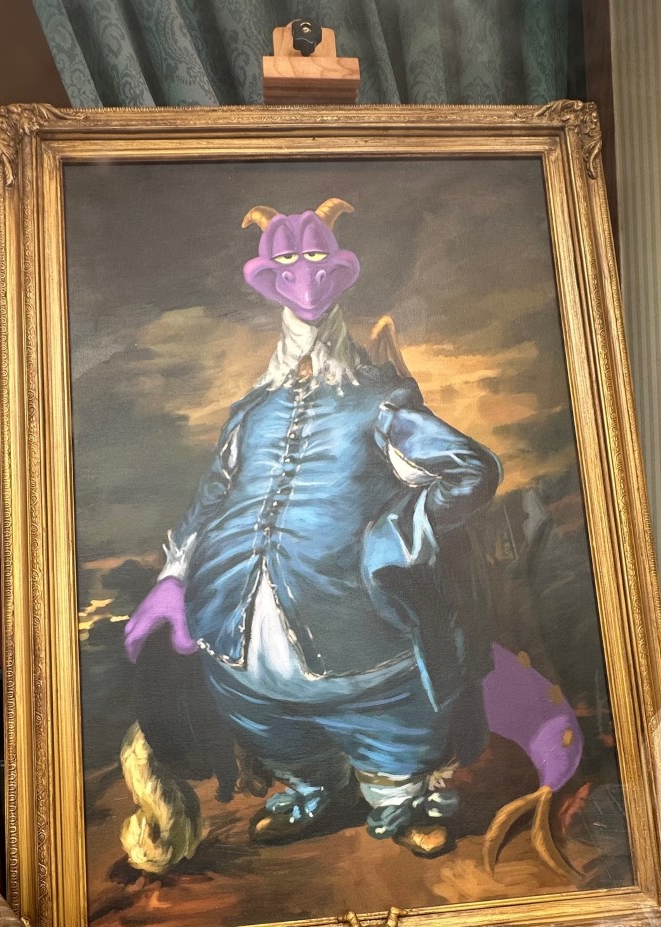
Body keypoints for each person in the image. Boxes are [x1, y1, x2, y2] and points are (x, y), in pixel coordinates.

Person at [125, 198, 501, 857]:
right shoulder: (251, 411)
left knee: (389, 717)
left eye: (317, 261)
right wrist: (172, 578)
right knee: (266, 720)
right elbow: (211, 495)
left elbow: (471, 468)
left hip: (359, 622)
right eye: (288, 266)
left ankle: (401, 801)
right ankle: (314, 789)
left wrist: (396, 532)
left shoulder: (379, 400)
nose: (304, 280)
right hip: (231, 625)